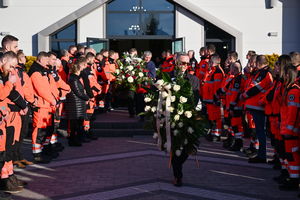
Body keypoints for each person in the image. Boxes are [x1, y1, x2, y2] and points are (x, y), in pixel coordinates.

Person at [241, 55, 273, 163]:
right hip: (256, 105)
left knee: (260, 132)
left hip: (259, 106)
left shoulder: (265, 73)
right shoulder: (260, 72)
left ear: (258, 63)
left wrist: (245, 95)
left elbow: (256, 87)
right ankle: (260, 154)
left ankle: (262, 156)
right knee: (259, 131)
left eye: (254, 63)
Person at [28, 52, 57, 163]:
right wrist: (52, 100)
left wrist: (54, 99)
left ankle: (43, 150)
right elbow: (42, 90)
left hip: (46, 104)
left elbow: (50, 87)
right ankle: (37, 154)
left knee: (45, 130)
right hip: (41, 105)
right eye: (46, 60)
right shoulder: (36, 72)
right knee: (39, 130)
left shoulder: (43, 71)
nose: (47, 62)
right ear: (40, 60)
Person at [278, 65, 300, 190]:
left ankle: (294, 180)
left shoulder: (293, 91)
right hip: (287, 128)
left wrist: (290, 129)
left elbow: (293, 113)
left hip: (291, 130)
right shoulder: (290, 89)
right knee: (289, 155)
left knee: (293, 156)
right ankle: (291, 177)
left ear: (288, 75)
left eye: (285, 74)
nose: (283, 76)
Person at [65, 57, 90, 147]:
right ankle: (73, 140)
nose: (84, 68)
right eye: (84, 66)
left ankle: (77, 139)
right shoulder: (73, 78)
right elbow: (77, 92)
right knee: (74, 124)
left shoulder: (75, 78)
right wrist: (87, 98)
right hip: (75, 104)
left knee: (78, 123)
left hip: (79, 103)